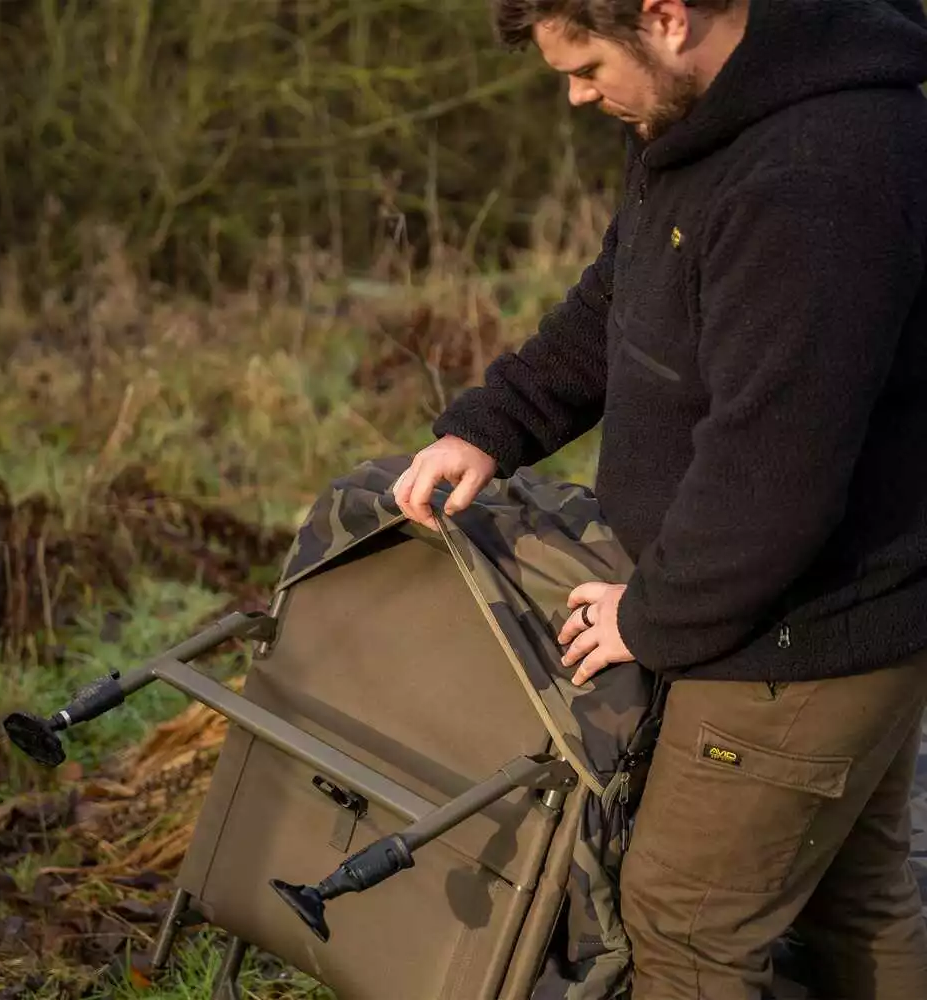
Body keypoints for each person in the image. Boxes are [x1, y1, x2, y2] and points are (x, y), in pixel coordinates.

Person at [391, 1, 927, 997]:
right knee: (852, 903)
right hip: (799, 604)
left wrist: (653, 615)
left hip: (801, 635)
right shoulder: (698, 119)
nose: (574, 96)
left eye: (588, 66)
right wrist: (492, 424)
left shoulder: (814, 176)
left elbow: (773, 473)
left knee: (685, 927)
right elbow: (624, 295)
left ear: (666, 17)